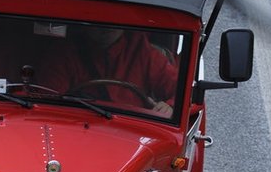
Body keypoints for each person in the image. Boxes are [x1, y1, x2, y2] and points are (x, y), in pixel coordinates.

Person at [43, 24, 179, 116]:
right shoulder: (65, 53)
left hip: (132, 131)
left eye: (115, 20)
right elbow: (47, 99)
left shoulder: (143, 52)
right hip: (79, 124)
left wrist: (170, 106)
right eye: (98, 20)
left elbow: (182, 94)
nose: (107, 27)